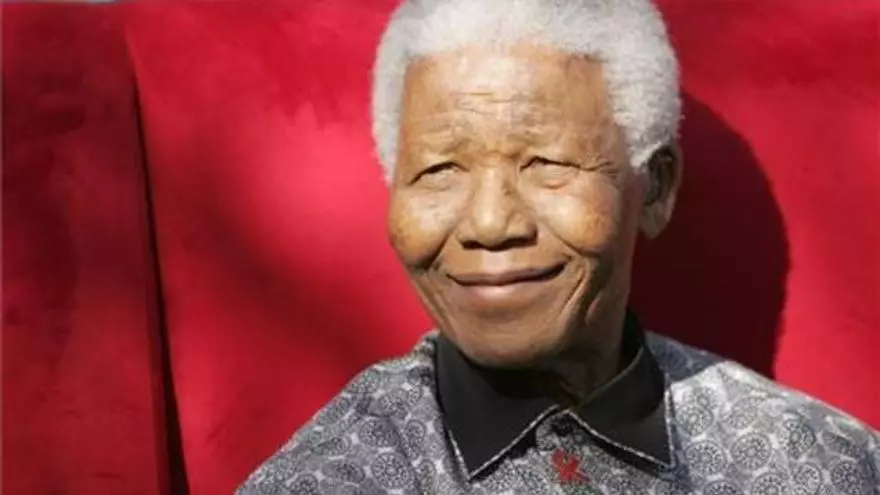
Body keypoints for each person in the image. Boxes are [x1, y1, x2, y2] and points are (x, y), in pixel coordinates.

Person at [237, 0, 879, 493]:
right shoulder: (326, 477)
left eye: (546, 163)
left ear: (654, 188)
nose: (490, 223)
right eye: (440, 170)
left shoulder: (821, 466)